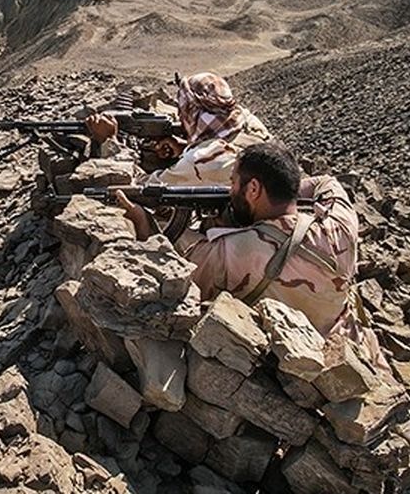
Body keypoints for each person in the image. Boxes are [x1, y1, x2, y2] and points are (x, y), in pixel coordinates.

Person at [115, 142, 384, 363]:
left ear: (253, 189)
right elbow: (326, 182)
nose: (229, 191)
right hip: (351, 350)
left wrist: (142, 221)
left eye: (233, 184)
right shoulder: (340, 225)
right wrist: (277, 195)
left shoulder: (237, 251)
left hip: (296, 365)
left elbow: (175, 266)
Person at [86, 72, 272, 187]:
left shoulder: (200, 161)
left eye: (183, 109)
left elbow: (142, 187)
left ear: (192, 111)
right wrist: (185, 147)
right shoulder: (249, 121)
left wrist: (110, 142)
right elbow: (228, 152)